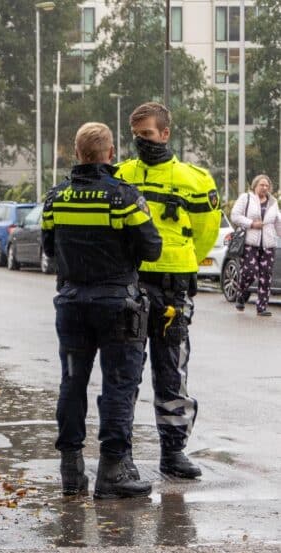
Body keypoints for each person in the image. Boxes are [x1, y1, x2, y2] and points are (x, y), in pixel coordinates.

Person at [43, 122, 162, 499]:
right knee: (118, 386)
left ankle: (71, 470)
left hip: (72, 303)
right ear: (111, 155)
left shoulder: (56, 198)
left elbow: (49, 249)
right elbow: (152, 248)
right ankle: (113, 470)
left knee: (72, 382)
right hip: (117, 307)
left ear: (77, 154)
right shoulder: (124, 197)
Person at [115, 102, 221, 480]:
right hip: (132, 284)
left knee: (172, 371)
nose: (142, 142)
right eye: (136, 135)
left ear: (165, 134)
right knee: (125, 371)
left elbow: (207, 232)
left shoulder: (195, 179)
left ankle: (173, 452)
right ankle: (120, 455)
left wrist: (185, 259)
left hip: (174, 289)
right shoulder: (122, 175)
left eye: (147, 134)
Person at [229, 174, 280, 316]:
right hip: (251, 242)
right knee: (249, 272)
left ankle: (261, 307)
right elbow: (235, 215)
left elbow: (277, 221)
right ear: (255, 186)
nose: (264, 188)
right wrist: (251, 223)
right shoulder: (246, 198)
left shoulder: (273, 202)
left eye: (267, 185)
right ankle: (241, 294)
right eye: (261, 185)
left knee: (266, 275)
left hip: (268, 243)